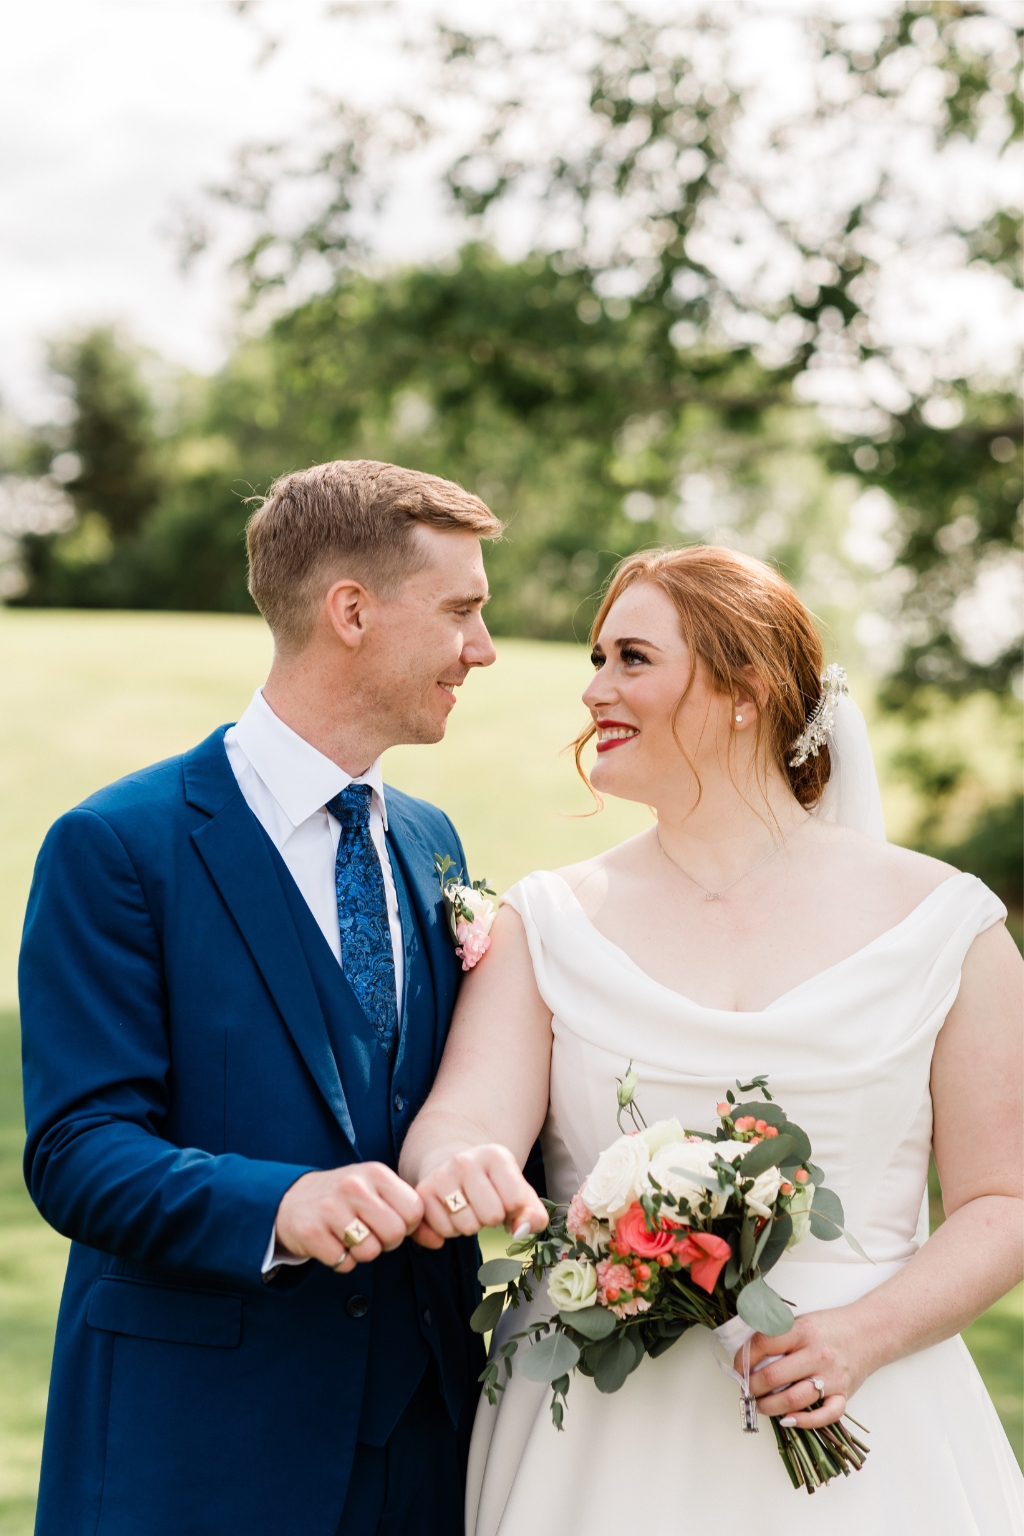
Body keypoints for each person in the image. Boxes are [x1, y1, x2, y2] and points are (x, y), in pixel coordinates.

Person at [400, 545, 1024, 1535]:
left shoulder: (948, 927)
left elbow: (1004, 1200)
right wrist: (461, 1163)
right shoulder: (548, 918)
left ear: (746, 691)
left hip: (870, 1417)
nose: (594, 688)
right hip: (597, 1447)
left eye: (632, 658)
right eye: (596, 657)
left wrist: (861, 1338)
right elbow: (463, 1119)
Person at [20, 460, 511, 1536]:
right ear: (350, 611)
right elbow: (77, 1148)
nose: (483, 648)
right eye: (462, 612)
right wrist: (278, 1206)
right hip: (200, 1453)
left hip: (426, 1445)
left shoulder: (432, 844)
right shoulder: (118, 846)